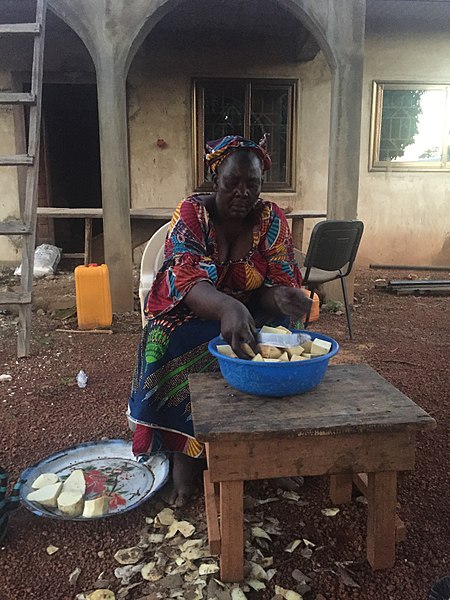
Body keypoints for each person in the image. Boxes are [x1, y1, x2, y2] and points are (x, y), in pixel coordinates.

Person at [127, 135, 312, 506]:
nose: (243, 193)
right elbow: (184, 277)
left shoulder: (271, 218)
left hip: (251, 310)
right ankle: (185, 454)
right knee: (164, 339)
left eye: (253, 184)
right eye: (233, 183)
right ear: (215, 180)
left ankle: (266, 448)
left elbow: (276, 279)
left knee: (284, 338)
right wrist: (227, 307)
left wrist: (279, 296)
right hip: (197, 307)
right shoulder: (192, 214)